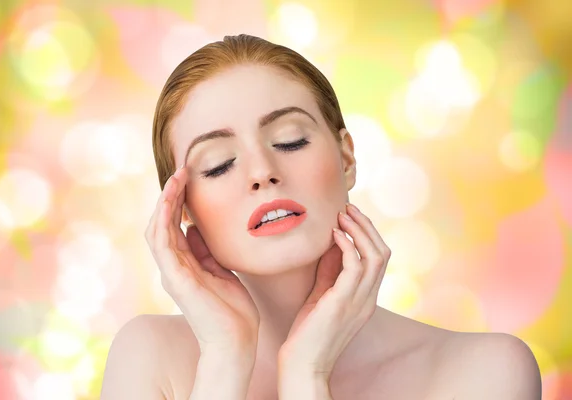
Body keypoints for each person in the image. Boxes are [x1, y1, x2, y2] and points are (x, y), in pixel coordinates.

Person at [101, 34, 542, 400]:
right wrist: (224, 360)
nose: (262, 172)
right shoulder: (148, 358)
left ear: (347, 158)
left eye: (290, 141)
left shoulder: (484, 372)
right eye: (218, 164)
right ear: (181, 209)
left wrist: (307, 376)